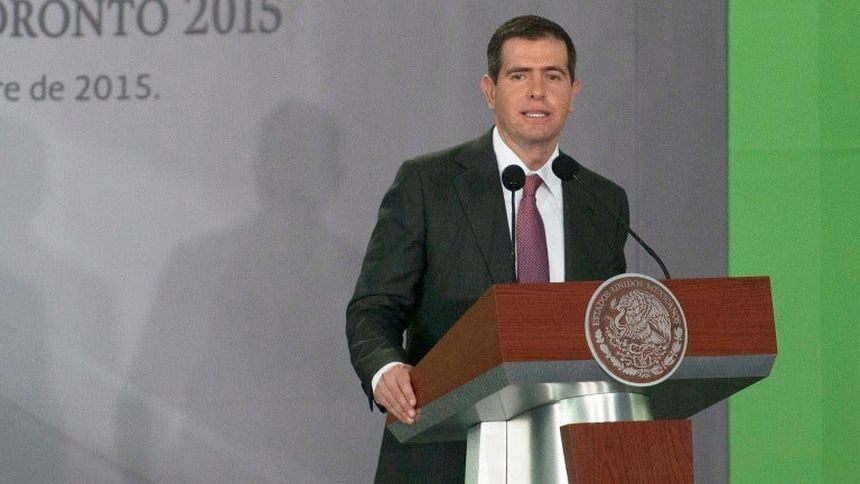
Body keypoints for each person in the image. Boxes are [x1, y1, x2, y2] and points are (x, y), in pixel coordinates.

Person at [346, 14, 629, 483]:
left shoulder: (602, 201)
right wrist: (385, 369)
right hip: (447, 448)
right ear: (490, 90)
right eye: (519, 76)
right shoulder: (428, 184)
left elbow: (608, 327)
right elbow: (373, 308)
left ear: (573, 92)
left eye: (552, 76)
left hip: (571, 452)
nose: (537, 91)